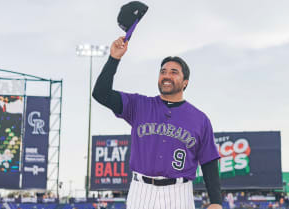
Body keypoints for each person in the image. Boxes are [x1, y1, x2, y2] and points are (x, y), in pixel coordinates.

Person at [93, 36, 222, 209]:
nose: (166, 76)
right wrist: (114, 58)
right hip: (141, 192)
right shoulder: (139, 105)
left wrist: (216, 202)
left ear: (185, 83)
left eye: (174, 72)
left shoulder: (200, 119)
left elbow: (209, 162)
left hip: (179, 193)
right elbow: (101, 93)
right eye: (163, 71)